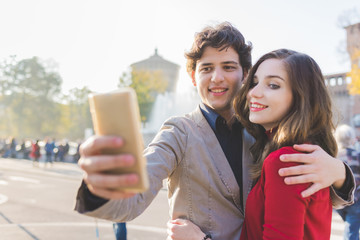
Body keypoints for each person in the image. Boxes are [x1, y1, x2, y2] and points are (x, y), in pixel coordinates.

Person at [75, 22, 355, 240]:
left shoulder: (264, 133)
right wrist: (100, 185)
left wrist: (340, 174)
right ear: (193, 76)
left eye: (228, 67)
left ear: (246, 74)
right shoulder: (177, 133)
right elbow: (128, 204)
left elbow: (308, 200)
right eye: (206, 68)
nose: (217, 77)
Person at [168, 49, 344, 239]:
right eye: (254, 83)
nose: (253, 93)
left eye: (273, 85)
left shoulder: (285, 162)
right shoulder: (307, 154)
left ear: (301, 97)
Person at [335, 124, 360, 240]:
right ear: (352, 138)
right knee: (351, 229)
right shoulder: (357, 155)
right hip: (356, 198)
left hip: (337, 198)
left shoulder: (334, 156)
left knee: (350, 223)